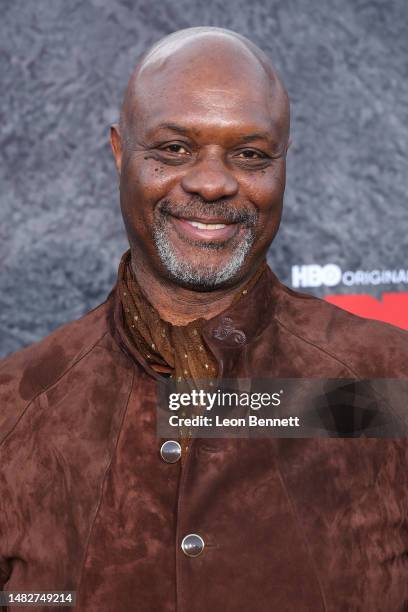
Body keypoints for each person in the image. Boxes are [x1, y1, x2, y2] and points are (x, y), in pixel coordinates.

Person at [0, 26, 407, 612]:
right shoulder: (17, 405)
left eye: (249, 154)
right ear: (120, 153)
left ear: (282, 166)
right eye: (174, 148)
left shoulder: (390, 385)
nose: (213, 183)